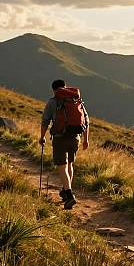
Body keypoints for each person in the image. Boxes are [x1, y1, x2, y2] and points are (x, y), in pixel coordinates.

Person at [39, 79, 89, 210]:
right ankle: (66, 190)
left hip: (60, 137)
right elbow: (86, 121)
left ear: (54, 89)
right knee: (70, 164)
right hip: (76, 137)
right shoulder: (76, 100)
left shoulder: (53, 101)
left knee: (62, 166)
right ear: (65, 87)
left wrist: (42, 137)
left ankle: (69, 195)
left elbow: (45, 121)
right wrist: (86, 140)